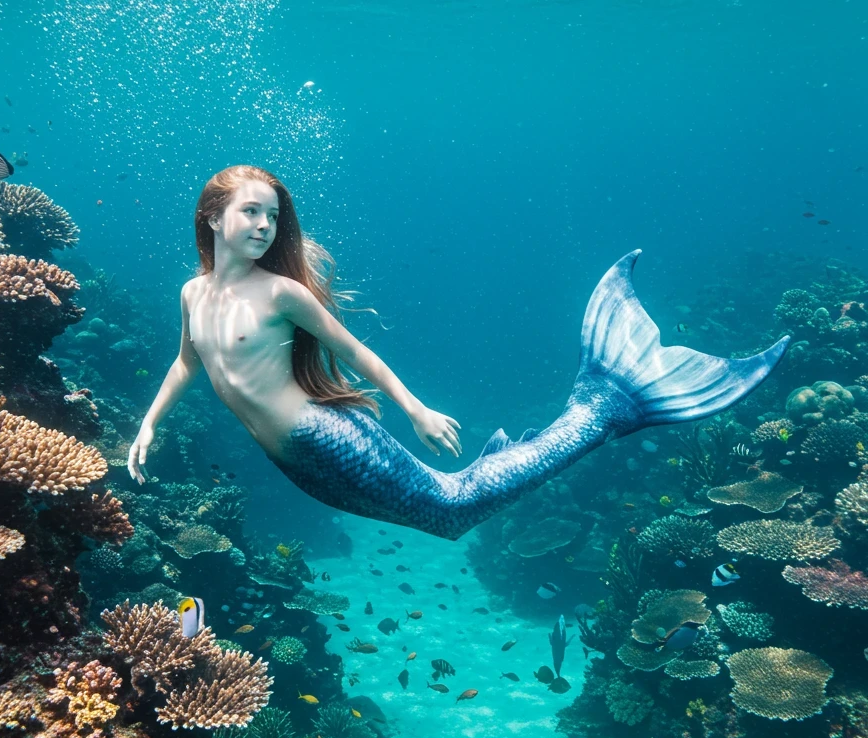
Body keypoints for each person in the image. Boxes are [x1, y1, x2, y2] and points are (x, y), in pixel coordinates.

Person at [128, 165, 788, 540]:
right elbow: (188, 361)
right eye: (251, 212)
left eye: (273, 215)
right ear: (212, 217)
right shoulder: (193, 293)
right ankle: (572, 423)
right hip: (294, 464)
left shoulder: (280, 294)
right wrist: (151, 424)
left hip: (326, 439)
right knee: (446, 514)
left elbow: (356, 353)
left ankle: (601, 409)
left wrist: (414, 410)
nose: (265, 226)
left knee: (451, 509)